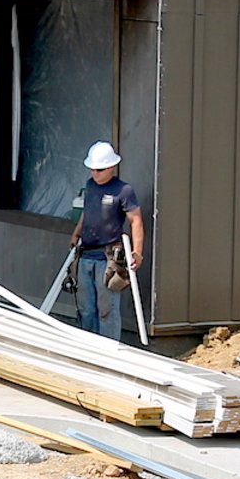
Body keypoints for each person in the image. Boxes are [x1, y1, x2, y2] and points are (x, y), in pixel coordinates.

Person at [69, 141, 144, 341]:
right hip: (86, 254)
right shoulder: (90, 185)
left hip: (108, 258)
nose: (95, 173)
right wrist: (77, 233)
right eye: (92, 169)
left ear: (111, 167)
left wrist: (137, 252)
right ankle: (88, 347)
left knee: (106, 309)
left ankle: (109, 350)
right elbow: (87, 212)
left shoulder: (123, 190)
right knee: (85, 307)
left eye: (100, 170)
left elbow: (136, 220)